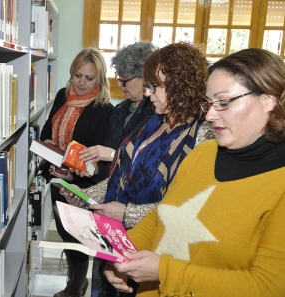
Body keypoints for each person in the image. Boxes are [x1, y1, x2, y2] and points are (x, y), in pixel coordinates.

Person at [103, 47, 285, 296]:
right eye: (209, 103)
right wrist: (121, 255)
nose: (209, 115)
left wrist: (165, 271)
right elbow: (162, 216)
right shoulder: (203, 154)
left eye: (223, 102)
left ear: (269, 100)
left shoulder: (278, 183)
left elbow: (267, 287)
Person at [60, 42, 216, 297]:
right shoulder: (154, 119)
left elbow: (190, 206)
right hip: (113, 238)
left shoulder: (202, 135)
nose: (147, 93)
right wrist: (89, 195)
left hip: (153, 254)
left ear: (179, 85)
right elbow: (123, 174)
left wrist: (128, 213)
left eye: (154, 86)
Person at [40, 47, 114, 297]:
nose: (82, 83)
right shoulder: (63, 95)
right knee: (63, 232)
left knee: (78, 239)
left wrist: (72, 174)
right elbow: (45, 133)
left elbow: (99, 161)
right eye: (77, 75)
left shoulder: (105, 109)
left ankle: (74, 289)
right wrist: (50, 147)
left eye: (89, 78)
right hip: (56, 178)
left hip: (81, 186)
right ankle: (76, 284)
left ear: (100, 79)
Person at [78, 41, 157, 182]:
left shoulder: (155, 114)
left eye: (124, 80)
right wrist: (87, 170)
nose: (119, 84)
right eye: (119, 78)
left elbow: (148, 165)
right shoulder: (120, 110)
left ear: (145, 77)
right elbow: (106, 168)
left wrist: (113, 155)